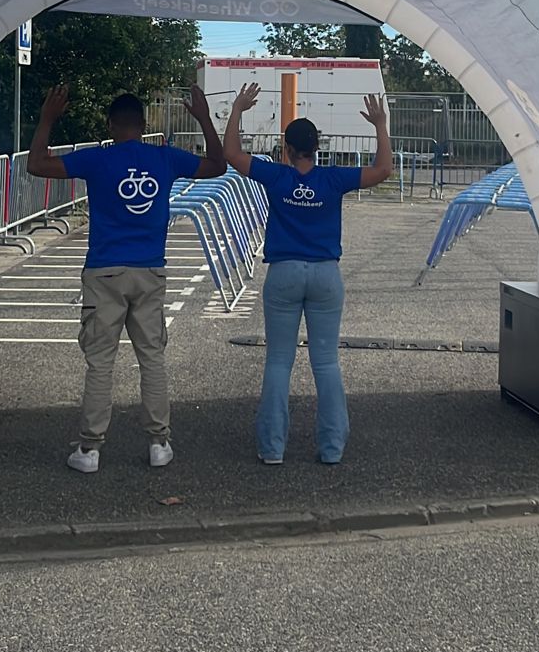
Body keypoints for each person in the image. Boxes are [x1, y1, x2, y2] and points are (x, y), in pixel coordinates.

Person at [28, 83, 226, 473]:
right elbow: (217, 166)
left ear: (110, 124)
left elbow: (36, 164)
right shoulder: (166, 158)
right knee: (151, 358)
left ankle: (90, 450)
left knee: (101, 362)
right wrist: (203, 118)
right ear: (144, 123)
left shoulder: (96, 161)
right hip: (150, 269)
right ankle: (158, 442)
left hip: (104, 271)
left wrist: (48, 119)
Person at [221, 84, 394, 464]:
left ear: (286, 148)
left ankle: (272, 448)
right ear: (318, 148)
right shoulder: (333, 179)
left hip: (282, 273)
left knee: (279, 361)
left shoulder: (276, 177)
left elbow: (231, 154)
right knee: (326, 362)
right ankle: (331, 448)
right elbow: (384, 169)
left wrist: (237, 109)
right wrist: (380, 125)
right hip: (325, 275)